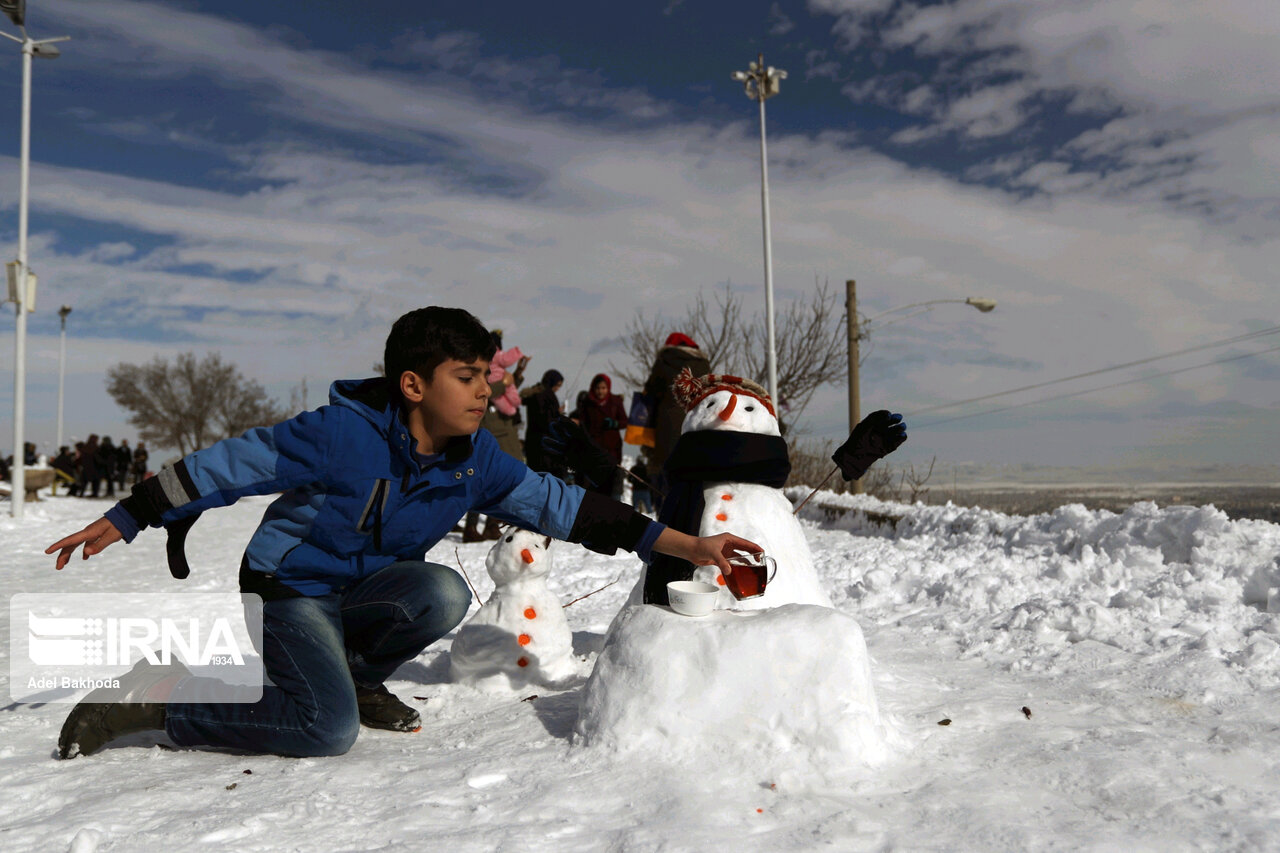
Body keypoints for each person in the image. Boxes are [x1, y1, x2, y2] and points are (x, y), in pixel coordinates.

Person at [46, 306, 761, 760]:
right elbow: (228, 464)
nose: (485, 389)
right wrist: (130, 513)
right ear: (414, 386)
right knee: (324, 729)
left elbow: (569, 507)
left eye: (486, 374)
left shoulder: (473, 457)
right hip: (287, 589)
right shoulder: (338, 434)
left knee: (442, 590)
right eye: (466, 376)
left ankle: (352, 676)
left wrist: (689, 546)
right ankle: (164, 694)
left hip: (362, 590)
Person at [463, 330, 529, 542]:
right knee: (483, 480)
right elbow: (487, 390)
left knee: (497, 480)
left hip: (502, 430)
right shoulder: (478, 367)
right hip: (490, 430)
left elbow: (506, 391)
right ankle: (472, 527)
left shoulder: (496, 368)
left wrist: (516, 375)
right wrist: (507, 381)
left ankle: (491, 525)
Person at [642, 333, 711, 491]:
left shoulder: (664, 361)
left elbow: (652, 389)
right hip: (697, 423)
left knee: (668, 474)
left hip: (667, 423)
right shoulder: (703, 364)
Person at [574, 373, 627, 497]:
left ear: (608, 388)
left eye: (603, 388)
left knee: (612, 485)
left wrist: (614, 423)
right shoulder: (588, 403)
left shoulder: (616, 402)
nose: (600, 391)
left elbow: (625, 422)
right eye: (598, 388)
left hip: (612, 450)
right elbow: (583, 423)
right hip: (593, 449)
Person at [521, 369, 566, 479]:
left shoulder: (534, 393)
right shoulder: (547, 395)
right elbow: (546, 419)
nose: (557, 388)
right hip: (545, 444)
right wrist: (558, 414)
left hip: (532, 441)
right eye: (557, 385)